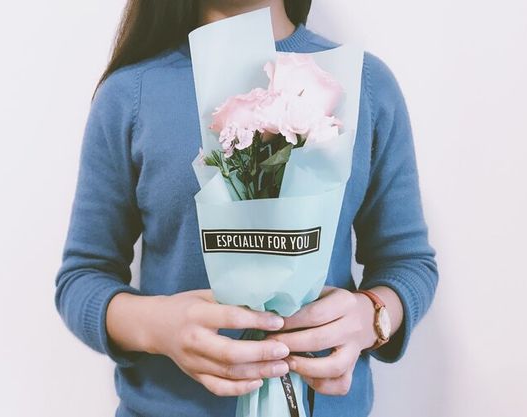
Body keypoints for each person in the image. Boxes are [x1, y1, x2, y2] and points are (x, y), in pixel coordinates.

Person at [53, 1, 439, 416]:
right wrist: (159, 326)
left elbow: (408, 262)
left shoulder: (364, 84)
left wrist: (372, 317)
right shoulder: (130, 96)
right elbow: (82, 278)